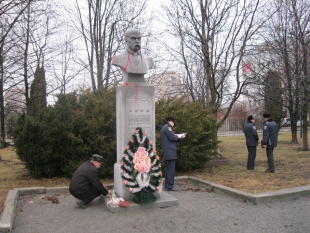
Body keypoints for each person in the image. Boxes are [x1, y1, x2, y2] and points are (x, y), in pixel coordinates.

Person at [160, 117, 186, 191]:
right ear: (171, 122)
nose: (173, 125)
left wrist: (177, 137)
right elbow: (173, 137)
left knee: (168, 169)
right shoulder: (167, 127)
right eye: (173, 123)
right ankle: (170, 186)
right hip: (170, 151)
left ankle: (167, 185)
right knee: (171, 169)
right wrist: (180, 137)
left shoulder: (164, 128)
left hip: (167, 151)